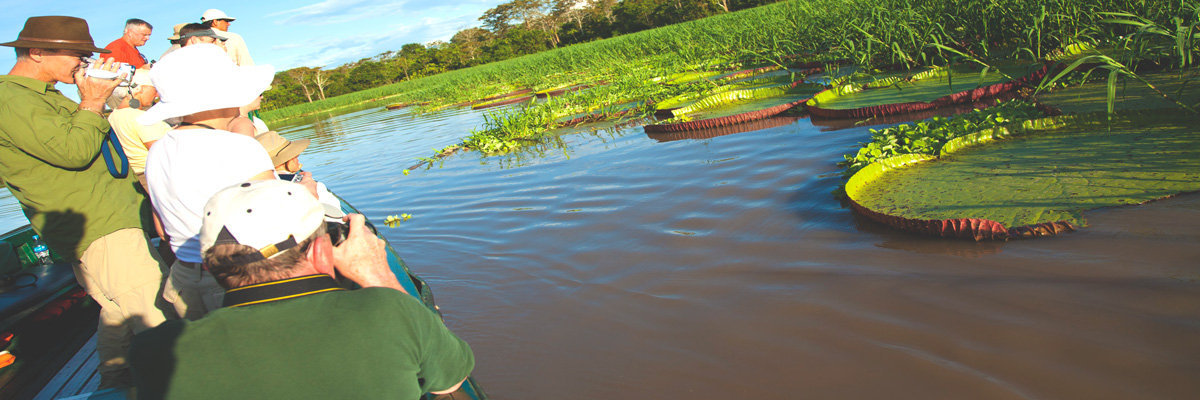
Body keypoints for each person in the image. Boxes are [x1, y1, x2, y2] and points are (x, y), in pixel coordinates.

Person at [130, 180, 474, 399]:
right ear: (321, 250)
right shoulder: (390, 310)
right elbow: (451, 380)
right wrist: (379, 276)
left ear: (209, 267)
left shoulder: (157, 349)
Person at [0, 16, 173, 388]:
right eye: (77, 54)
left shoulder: (40, 96)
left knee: (117, 313)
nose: (82, 62)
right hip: (100, 226)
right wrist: (92, 100)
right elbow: (73, 151)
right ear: (36, 52)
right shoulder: (9, 99)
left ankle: (113, 386)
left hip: (106, 220)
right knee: (155, 317)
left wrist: (91, 100)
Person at [140, 43, 281, 320]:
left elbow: (162, 228)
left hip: (184, 277)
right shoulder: (238, 147)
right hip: (236, 277)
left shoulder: (157, 149)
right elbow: (278, 221)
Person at [107, 71, 169, 186]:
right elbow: (163, 152)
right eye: (154, 89)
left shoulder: (113, 116)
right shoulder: (141, 117)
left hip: (137, 177)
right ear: (138, 88)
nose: (156, 95)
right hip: (157, 176)